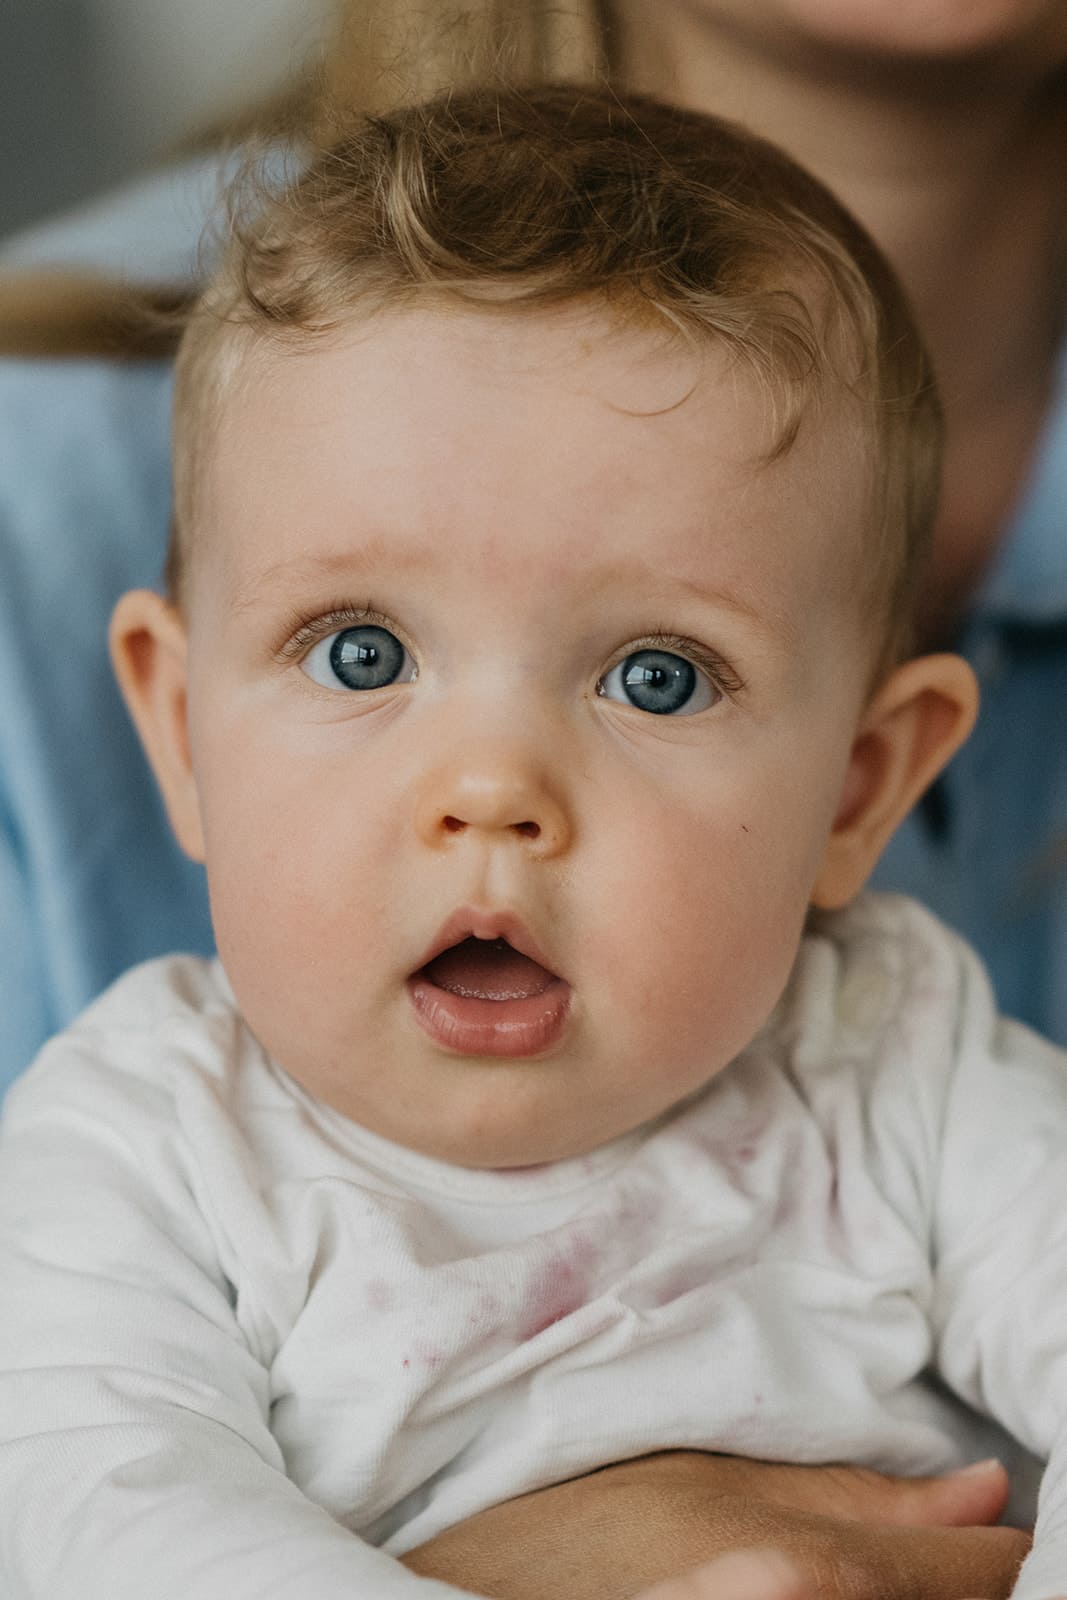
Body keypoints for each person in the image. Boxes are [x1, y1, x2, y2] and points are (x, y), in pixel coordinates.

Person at [2, 82, 1056, 1599]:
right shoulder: (145, 1152)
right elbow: (101, 1526)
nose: (493, 789)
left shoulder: (899, 1060)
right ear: (179, 731)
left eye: (656, 678)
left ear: (856, 790)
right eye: (361, 654)